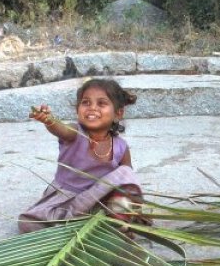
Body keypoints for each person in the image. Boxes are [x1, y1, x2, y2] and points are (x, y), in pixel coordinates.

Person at [18, 78, 145, 233]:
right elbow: (61, 129)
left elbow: (129, 182)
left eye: (101, 103)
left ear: (118, 113)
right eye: (86, 102)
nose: (92, 108)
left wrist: (136, 207)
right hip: (66, 201)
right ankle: (84, 230)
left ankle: (116, 223)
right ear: (77, 109)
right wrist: (49, 120)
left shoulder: (121, 146)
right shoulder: (75, 133)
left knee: (126, 173)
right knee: (27, 223)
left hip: (99, 201)